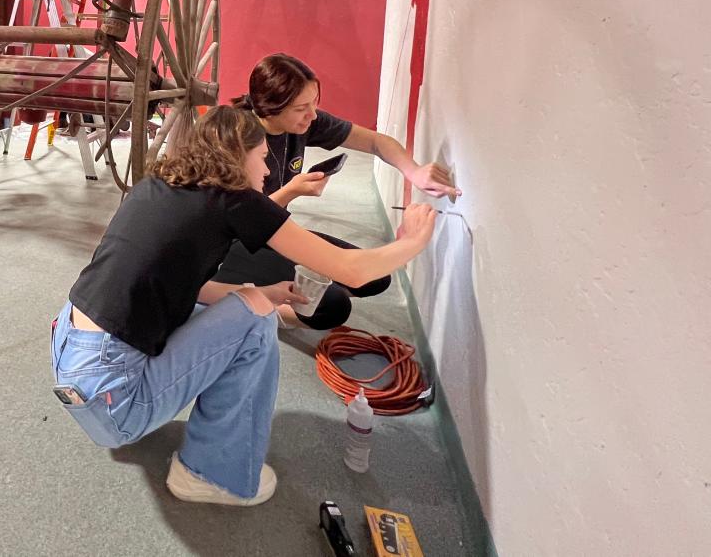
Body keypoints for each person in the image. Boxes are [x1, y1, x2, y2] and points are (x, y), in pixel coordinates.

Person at [51, 106, 437, 506]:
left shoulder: (160, 183)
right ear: (239, 154)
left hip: (74, 359)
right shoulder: (236, 200)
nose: (269, 171)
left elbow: (187, 286)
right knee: (255, 318)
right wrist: (411, 241)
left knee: (248, 303)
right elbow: (350, 271)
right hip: (115, 403)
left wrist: (268, 292)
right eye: (263, 157)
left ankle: (201, 438)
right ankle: (209, 474)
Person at [215, 53, 461, 330]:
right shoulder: (239, 137)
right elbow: (243, 219)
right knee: (331, 308)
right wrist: (291, 192)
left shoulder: (304, 122)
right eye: (301, 108)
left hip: (274, 230)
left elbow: (376, 142)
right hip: (235, 243)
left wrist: (414, 171)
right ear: (269, 108)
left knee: (376, 279)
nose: (312, 114)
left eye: (314, 102)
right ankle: (250, 304)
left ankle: (276, 294)